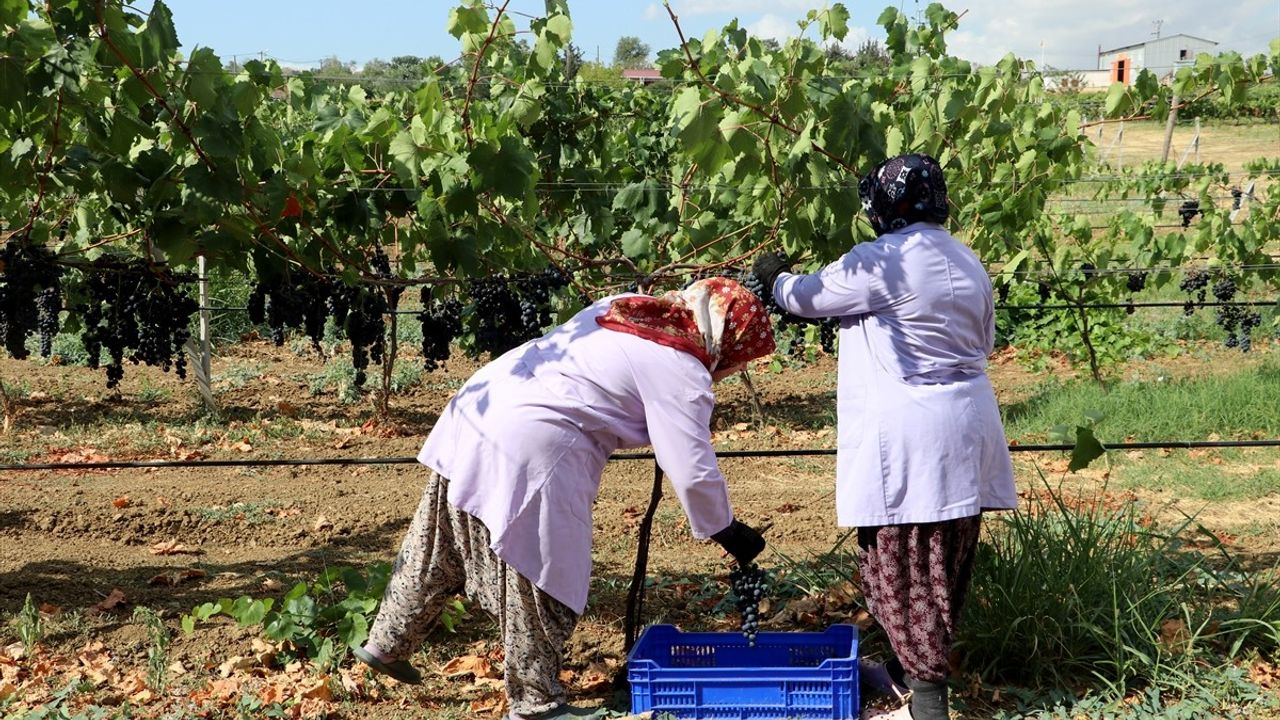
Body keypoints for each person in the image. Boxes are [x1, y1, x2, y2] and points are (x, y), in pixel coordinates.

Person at [354, 278, 776, 720]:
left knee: (437, 543)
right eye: (739, 359)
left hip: (482, 405)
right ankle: (536, 704)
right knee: (543, 575)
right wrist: (725, 528)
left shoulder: (631, 310)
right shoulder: (681, 367)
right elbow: (691, 468)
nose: (731, 371)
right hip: (534, 439)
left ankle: (386, 643)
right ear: (730, 341)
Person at [752, 154, 1018, 720]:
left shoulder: (883, 260)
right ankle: (903, 675)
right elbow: (986, 340)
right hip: (968, 428)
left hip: (913, 437)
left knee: (904, 569)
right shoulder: (968, 260)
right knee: (942, 566)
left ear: (884, 204)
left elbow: (807, 298)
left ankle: (926, 707)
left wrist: (773, 276)